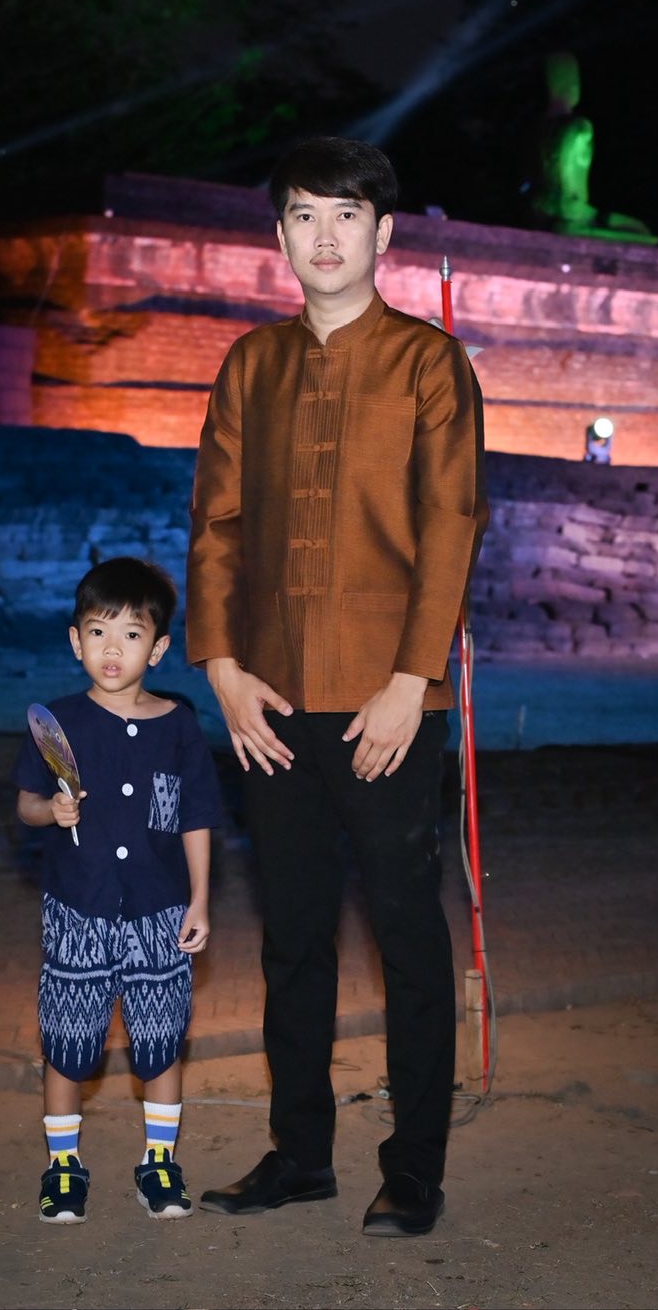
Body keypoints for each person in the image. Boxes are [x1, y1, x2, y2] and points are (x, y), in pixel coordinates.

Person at [186, 136, 489, 1238]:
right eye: (304, 215)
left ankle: (413, 1168)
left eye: (346, 215)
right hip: (270, 703)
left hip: (387, 703)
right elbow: (217, 522)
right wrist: (222, 669)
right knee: (293, 937)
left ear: (382, 233)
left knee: (406, 933)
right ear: (279, 235)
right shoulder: (249, 366)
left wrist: (412, 681)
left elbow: (451, 524)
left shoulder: (427, 365)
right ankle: (300, 1153)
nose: (325, 236)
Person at [13, 557, 225, 1223]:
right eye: (98, 632)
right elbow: (25, 803)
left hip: (160, 910)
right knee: (68, 1039)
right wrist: (52, 810)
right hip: (79, 907)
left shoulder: (179, 726)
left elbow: (195, 817)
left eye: (132, 634)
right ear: (75, 641)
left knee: (160, 1039)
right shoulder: (58, 723)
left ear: (157, 650)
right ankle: (63, 1167)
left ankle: (159, 1162)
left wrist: (199, 899)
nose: (113, 648)